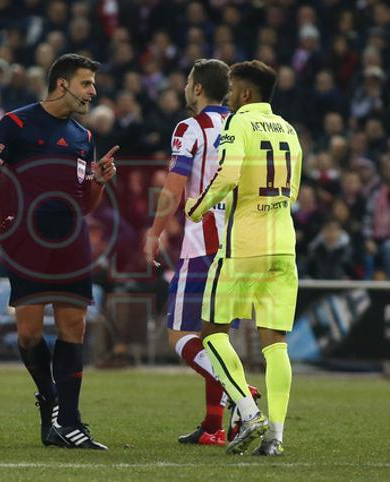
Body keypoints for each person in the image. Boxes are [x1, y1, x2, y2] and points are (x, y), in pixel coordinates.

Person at [0, 53, 116, 450]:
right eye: (87, 83)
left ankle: (70, 420)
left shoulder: (84, 137)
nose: (93, 92)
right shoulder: (15, 125)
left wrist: (98, 182)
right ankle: (48, 398)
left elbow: (85, 204)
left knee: (73, 330)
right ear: (62, 84)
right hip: (25, 242)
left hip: (71, 242)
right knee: (29, 334)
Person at [185, 60, 302, 456]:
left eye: (232, 89)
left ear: (245, 94)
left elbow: (229, 175)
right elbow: (294, 191)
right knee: (276, 345)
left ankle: (249, 411)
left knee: (212, 331)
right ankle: (277, 437)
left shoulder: (239, 124)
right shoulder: (289, 130)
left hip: (244, 244)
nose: (229, 95)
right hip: (284, 243)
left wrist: (196, 208)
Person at [145, 58, 258, 447]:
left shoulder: (191, 128)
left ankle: (239, 392)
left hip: (203, 244)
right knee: (215, 336)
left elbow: (173, 188)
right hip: (242, 244)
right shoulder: (242, 126)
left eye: (188, 82)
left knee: (179, 334)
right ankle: (213, 426)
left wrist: (154, 233)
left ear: (196, 89)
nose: (185, 88)